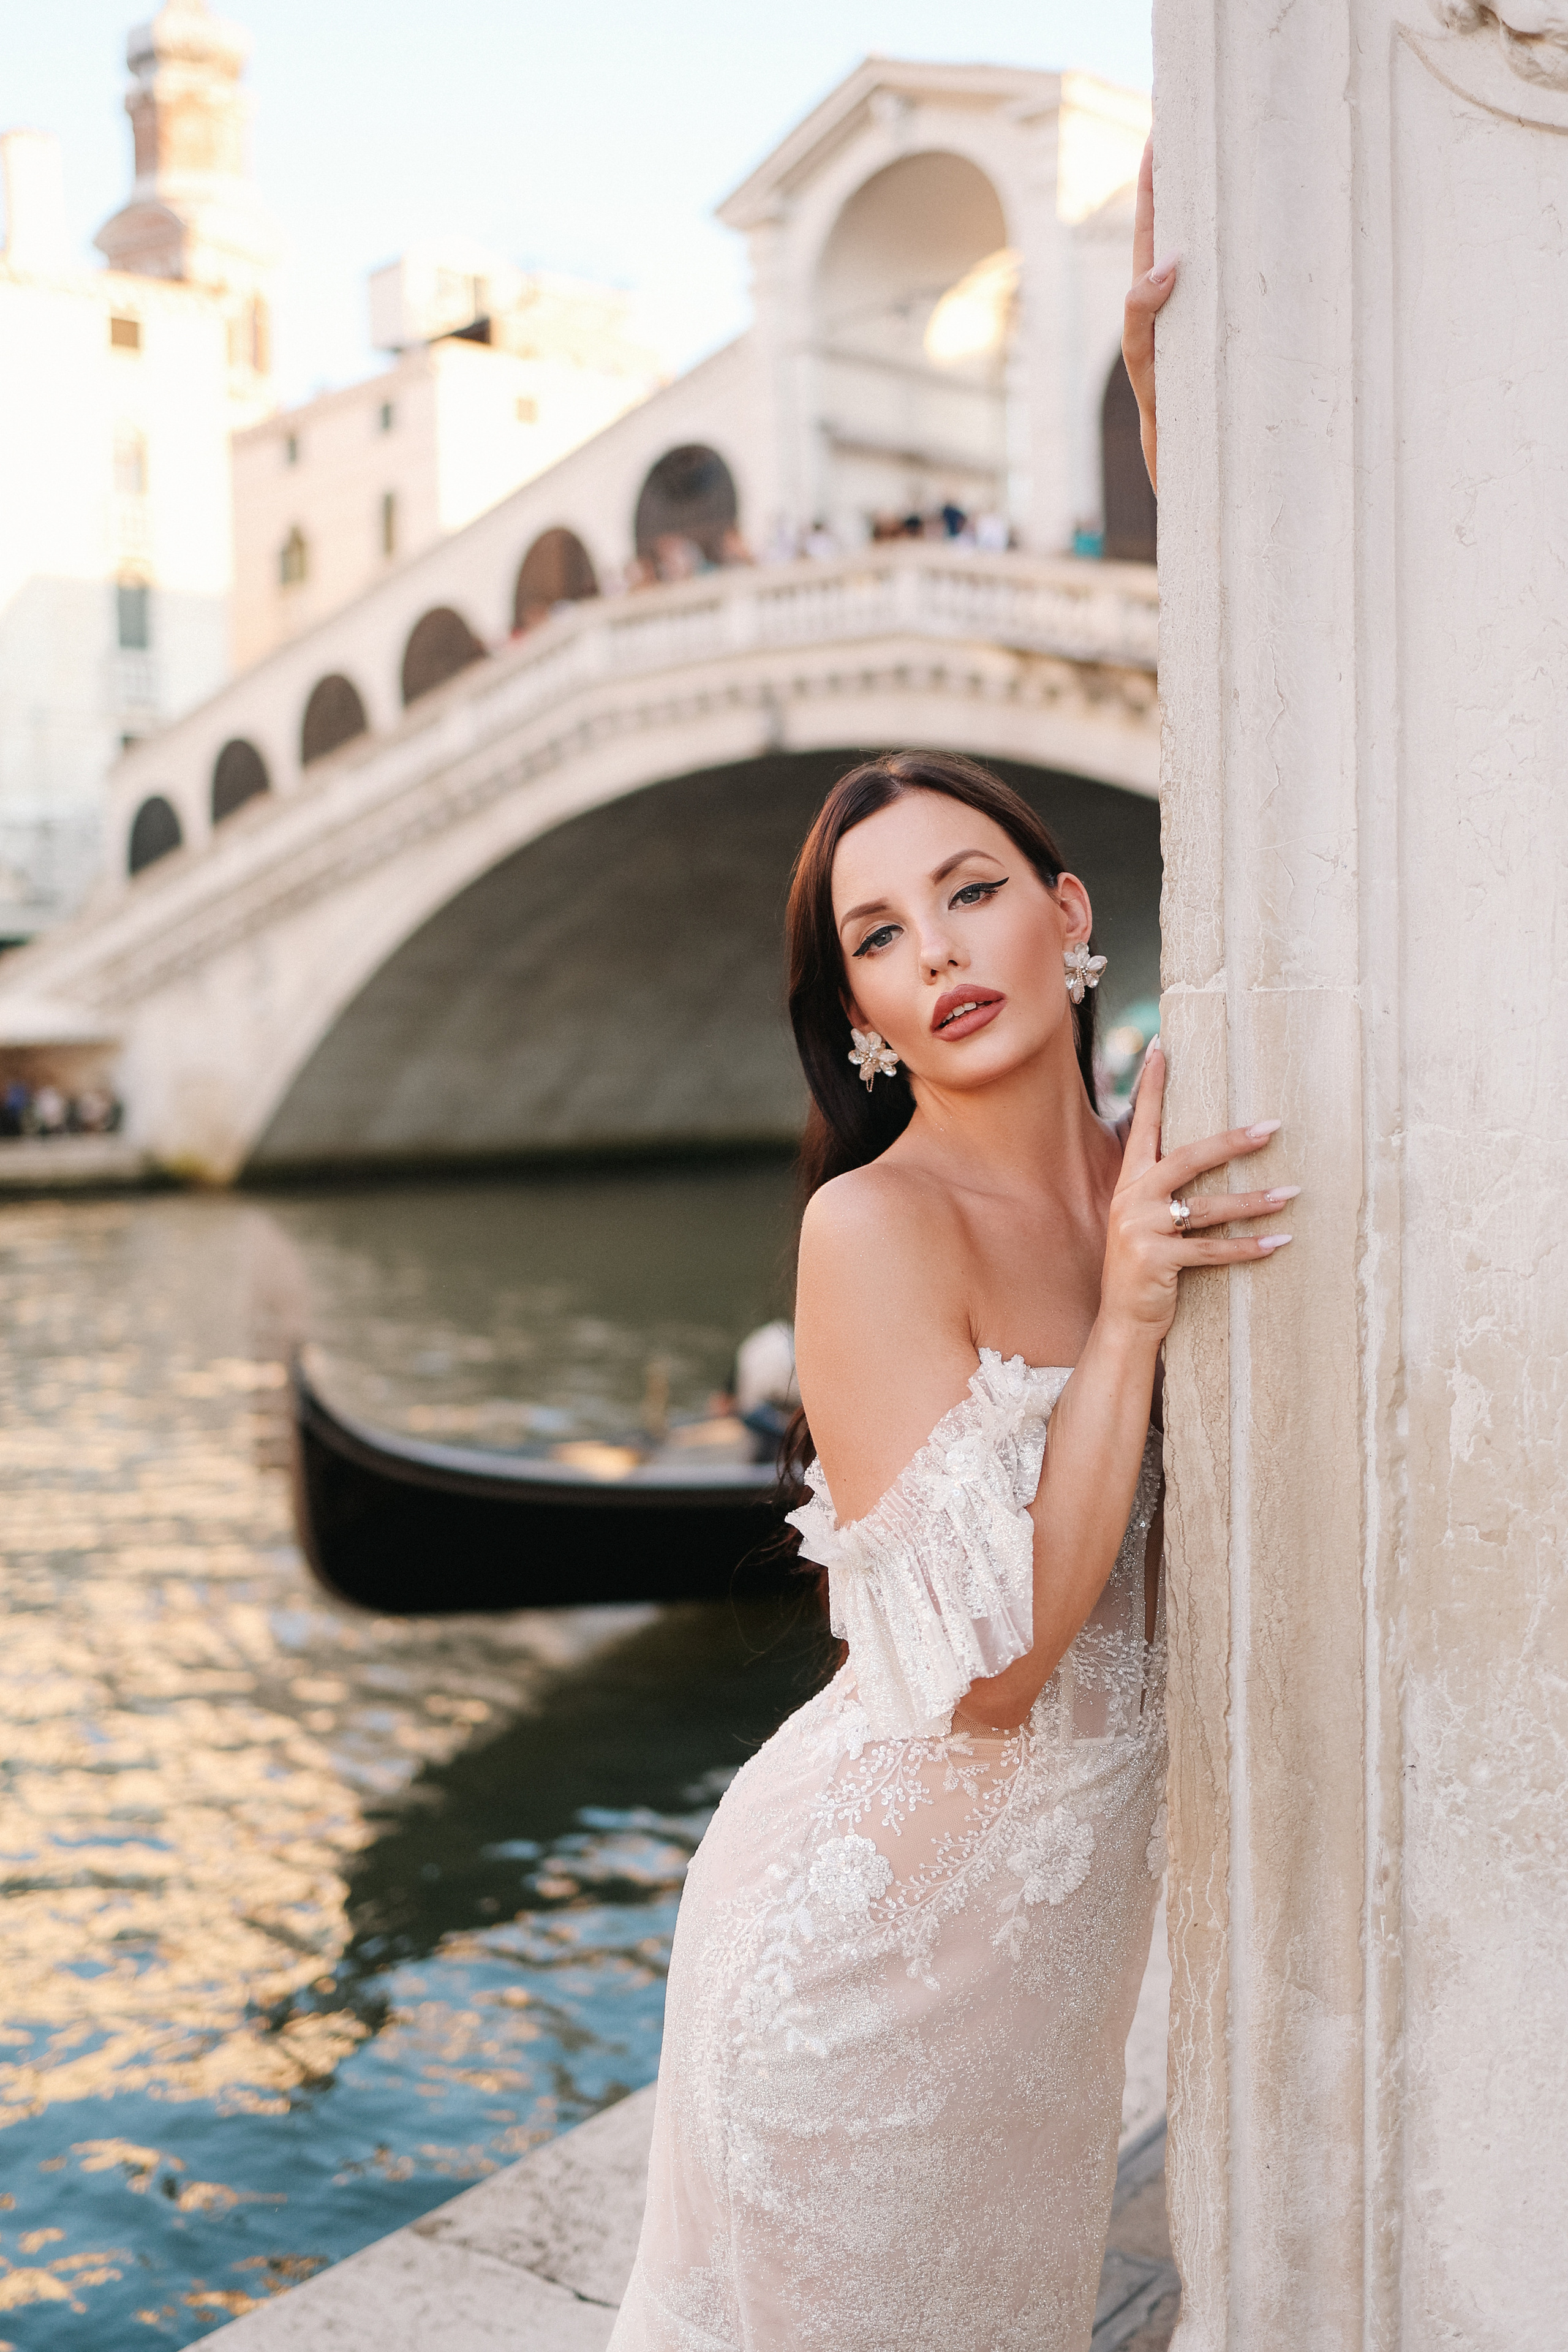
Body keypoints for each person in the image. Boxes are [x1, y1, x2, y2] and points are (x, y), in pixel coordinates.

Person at [608, 145, 1269, 2351]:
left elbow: (1262, 748)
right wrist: (1148, 1319)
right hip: (864, 1978)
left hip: (1044, 1991)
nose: (936, 948)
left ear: (1076, 920)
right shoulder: (873, 1236)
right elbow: (984, 1676)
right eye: (877, 937)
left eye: (971, 889)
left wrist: (1192, 449)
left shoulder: (1136, 1130)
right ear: (866, 1019)